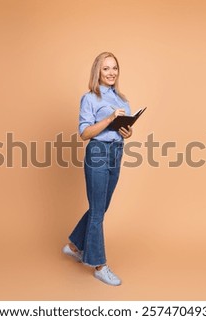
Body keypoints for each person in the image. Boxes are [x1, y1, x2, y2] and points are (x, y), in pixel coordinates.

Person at [62, 52, 133, 286]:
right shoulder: (90, 98)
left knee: (100, 207)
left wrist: (127, 132)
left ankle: (74, 245)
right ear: (98, 72)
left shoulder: (122, 100)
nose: (111, 72)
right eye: (106, 69)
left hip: (116, 152)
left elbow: (123, 129)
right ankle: (99, 265)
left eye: (115, 68)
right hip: (98, 152)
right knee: (97, 211)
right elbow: (84, 134)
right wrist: (110, 120)